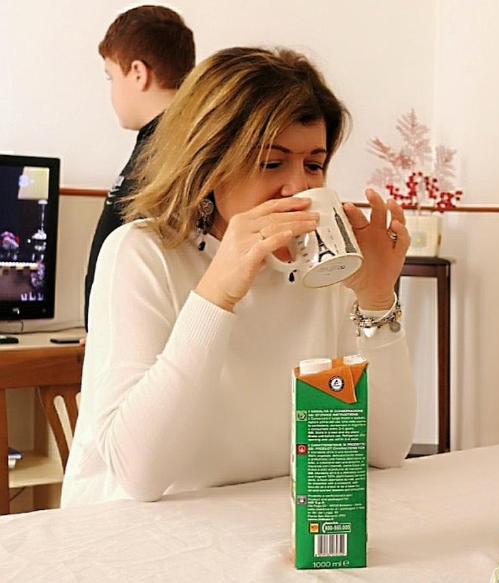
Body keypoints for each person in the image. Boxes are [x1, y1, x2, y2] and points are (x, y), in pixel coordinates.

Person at [62, 47, 416, 507]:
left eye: (314, 164)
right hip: (137, 540)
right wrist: (217, 293)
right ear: (208, 162)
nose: (299, 188)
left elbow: (386, 451)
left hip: (259, 527)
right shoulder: (142, 253)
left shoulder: (322, 267)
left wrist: (375, 297)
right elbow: (139, 475)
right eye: (272, 163)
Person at [84, 5, 196, 330]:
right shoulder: (156, 142)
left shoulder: (174, 149)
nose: (112, 92)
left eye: (111, 77)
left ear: (137, 72)